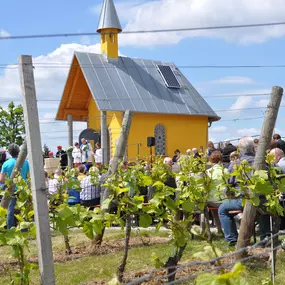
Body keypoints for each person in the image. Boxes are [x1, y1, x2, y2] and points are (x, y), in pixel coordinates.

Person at [218, 137, 255, 246]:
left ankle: (232, 239)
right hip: (263, 200)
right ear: (253, 148)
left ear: (239, 149)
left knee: (222, 209)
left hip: (243, 200)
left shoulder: (235, 164)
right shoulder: (263, 162)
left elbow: (228, 185)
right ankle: (265, 237)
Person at [0, 143, 30, 229]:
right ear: (18, 151)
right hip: (22, 189)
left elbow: (1, 179)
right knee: (24, 209)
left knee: (10, 210)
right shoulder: (26, 163)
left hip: (10, 189)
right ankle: (24, 229)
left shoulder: (6, 164)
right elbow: (28, 176)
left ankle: (10, 228)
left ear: (9, 152)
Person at [205, 151, 225, 234]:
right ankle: (222, 230)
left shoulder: (208, 172)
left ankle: (216, 230)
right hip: (224, 200)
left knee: (210, 209)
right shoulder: (225, 171)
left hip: (212, 201)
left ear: (211, 160)